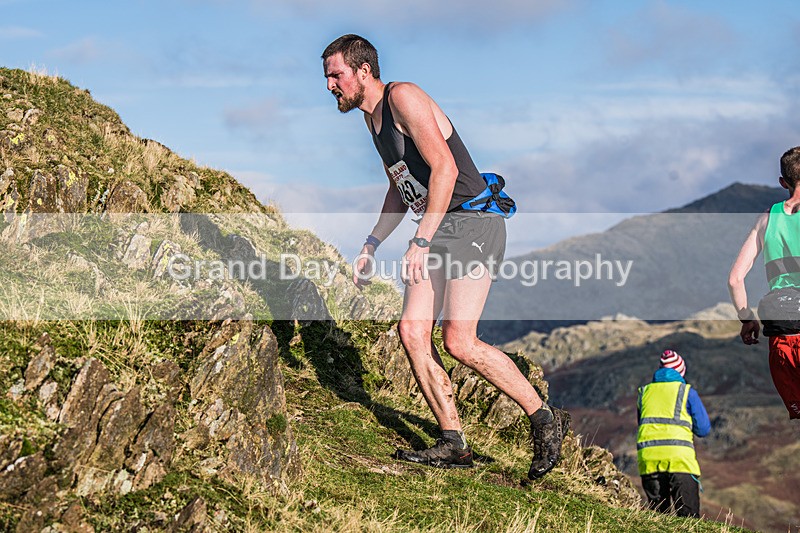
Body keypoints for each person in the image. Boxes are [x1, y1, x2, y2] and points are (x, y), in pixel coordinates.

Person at [321, 34, 569, 479]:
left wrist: (419, 242)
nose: (329, 85)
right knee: (413, 330)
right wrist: (371, 243)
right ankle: (453, 442)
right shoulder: (371, 120)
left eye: (335, 74)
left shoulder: (404, 97)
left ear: (363, 71)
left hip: (473, 221)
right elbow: (400, 189)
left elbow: (446, 169)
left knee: (459, 341)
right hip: (438, 226)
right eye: (326, 77)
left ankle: (543, 420)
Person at [728, 146, 800, 420]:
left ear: (783, 182)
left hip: (782, 338)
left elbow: (735, 279)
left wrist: (747, 319)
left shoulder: (766, 219)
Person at [637, 350, 710, 518]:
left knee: (658, 519)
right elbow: (703, 429)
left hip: (649, 459)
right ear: (681, 371)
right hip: (680, 459)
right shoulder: (686, 392)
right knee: (688, 520)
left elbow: (642, 424)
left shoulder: (644, 393)